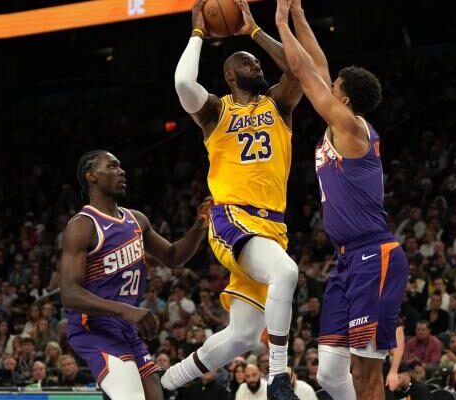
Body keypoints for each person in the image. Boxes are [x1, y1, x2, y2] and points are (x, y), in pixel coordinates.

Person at [161, 0, 304, 398]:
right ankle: (279, 377)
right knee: (286, 273)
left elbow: (297, 69)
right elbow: (183, 84)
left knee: (242, 335)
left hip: (272, 228)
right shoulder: (214, 112)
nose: (256, 64)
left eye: (256, 62)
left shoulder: (278, 104)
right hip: (232, 218)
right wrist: (198, 32)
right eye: (247, 62)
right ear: (229, 75)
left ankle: (166, 382)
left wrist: (254, 31)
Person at [275, 1, 409, 399]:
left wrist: (280, 20)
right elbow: (317, 65)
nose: (327, 85)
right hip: (346, 259)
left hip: (374, 255)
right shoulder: (341, 124)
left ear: (345, 101)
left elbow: (304, 71)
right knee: (331, 374)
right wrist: (299, 13)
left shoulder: (350, 128)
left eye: (334, 87)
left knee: (366, 373)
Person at [60, 150, 211, 400]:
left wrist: (199, 227)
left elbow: (173, 256)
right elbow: (69, 294)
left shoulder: (136, 220)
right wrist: (126, 310)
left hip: (126, 326)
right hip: (93, 327)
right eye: (112, 166)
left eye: (120, 166)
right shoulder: (83, 225)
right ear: (91, 176)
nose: (121, 171)